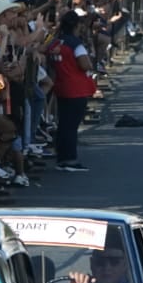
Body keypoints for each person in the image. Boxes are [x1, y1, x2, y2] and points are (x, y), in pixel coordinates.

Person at [47, 10, 97, 172]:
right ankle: (70, 158)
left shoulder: (56, 43)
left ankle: (62, 156)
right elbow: (85, 65)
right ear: (77, 25)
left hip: (61, 86)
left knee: (64, 123)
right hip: (76, 88)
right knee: (71, 125)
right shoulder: (76, 44)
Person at [68, 246, 135, 283]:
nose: (107, 267)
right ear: (92, 264)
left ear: (125, 265)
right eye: (100, 261)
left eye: (114, 261)